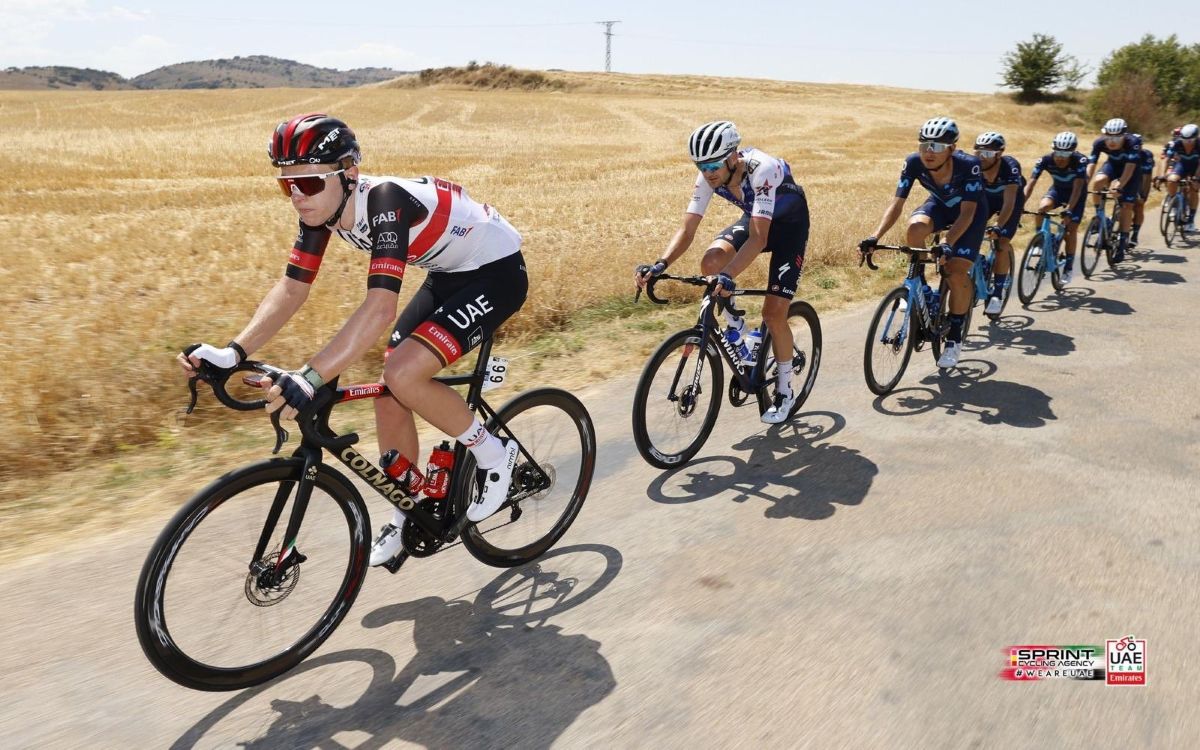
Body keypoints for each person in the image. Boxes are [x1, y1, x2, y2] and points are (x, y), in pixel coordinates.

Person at [178, 113, 529, 568]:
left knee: (404, 374)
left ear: (349, 173)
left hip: (495, 272)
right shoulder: (322, 211)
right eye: (287, 185)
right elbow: (292, 290)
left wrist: (308, 377)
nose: (298, 197)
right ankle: (408, 510)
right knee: (388, 391)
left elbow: (379, 308)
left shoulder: (385, 201)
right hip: (447, 273)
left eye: (307, 182)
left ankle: (492, 454)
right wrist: (233, 352)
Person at [635, 120, 812, 424]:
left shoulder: (762, 170)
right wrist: (660, 264)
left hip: (789, 229)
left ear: (733, 157)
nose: (708, 172)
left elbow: (759, 239)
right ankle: (738, 331)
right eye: (701, 165)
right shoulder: (707, 178)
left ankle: (785, 391)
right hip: (757, 218)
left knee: (773, 314)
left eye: (714, 164)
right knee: (711, 262)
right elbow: (687, 229)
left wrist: (729, 275)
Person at [859, 117, 985, 369]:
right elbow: (897, 204)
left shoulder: (969, 165)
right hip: (939, 206)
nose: (929, 151)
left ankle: (954, 338)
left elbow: (968, 212)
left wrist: (948, 242)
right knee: (915, 229)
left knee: (956, 271)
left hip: (969, 214)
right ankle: (922, 289)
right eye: (924, 144)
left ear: (951, 148)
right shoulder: (913, 162)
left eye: (937, 146)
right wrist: (875, 236)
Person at [1024, 131, 1088, 285]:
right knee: (1042, 208)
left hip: (1076, 195)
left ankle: (1069, 267)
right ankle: (1040, 241)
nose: (1060, 157)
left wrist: (1069, 209)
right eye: (1057, 152)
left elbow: (1078, 188)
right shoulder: (1045, 160)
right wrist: (1020, 203)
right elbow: (1031, 183)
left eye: (1065, 154)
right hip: (1058, 190)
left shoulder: (1080, 161)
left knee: (1070, 230)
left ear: (1072, 153)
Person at [974, 131, 1024, 314]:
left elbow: (1009, 201)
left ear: (999, 153)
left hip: (1010, 201)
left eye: (987, 153)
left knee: (1002, 243)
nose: (981, 157)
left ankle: (997, 293)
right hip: (987, 199)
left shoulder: (1010, 167)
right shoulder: (974, 167)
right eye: (978, 152)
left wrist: (998, 225)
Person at [1086, 118, 1141, 262]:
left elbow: (1130, 168)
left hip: (1131, 171)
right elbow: (1091, 164)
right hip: (1112, 165)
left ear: (1124, 135)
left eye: (1117, 137)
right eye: (1108, 136)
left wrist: (1119, 185)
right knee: (1098, 182)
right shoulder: (1099, 142)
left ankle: (1122, 244)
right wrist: (1084, 182)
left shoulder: (1133, 142)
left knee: (1126, 206)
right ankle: (1100, 217)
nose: (1112, 141)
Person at [1162, 123, 1200, 232]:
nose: (1187, 143)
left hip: (1196, 167)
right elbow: (1166, 159)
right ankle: (1174, 204)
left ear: (1196, 138)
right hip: (1182, 165)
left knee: (1194, 189)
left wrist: (1196, 178)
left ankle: (1191, 220)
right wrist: (1163, 175)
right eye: (1184, 140)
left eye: (1190, 140)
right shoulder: (1177, 143)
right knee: (1171, 180)